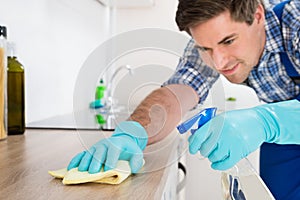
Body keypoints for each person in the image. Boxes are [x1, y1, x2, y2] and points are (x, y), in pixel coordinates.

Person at [68, 0, 300, 199]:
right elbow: (177, 92)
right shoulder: (207, 45)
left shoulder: (295, 20)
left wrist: (268, 121)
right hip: (283, 139)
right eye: (205, 48)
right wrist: (133, 132)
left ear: (257, 15)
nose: (218, 63)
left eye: (228, 41)